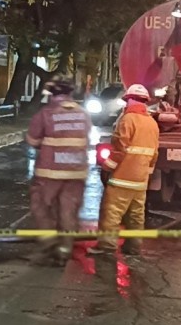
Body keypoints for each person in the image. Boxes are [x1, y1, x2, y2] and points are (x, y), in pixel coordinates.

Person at [25, 75, 92, 266]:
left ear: (51, 94)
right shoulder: (83, 114)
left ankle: (49, 243)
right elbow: (86, 139)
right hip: (77, 172)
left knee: (41, 205)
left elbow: (32, 140)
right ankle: (65, 249)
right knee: (69, 210)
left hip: (49, 172)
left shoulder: (46, 114)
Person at [90, 83, 159, 256]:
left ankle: (107, 245)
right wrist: (147, 173)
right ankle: (134, 246)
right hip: (140, 180)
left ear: (129, 100)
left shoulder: (128, 120)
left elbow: (120, 149)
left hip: (122, 178)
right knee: (136, 214)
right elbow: (154, 153)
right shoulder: (152, 122)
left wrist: (107, 167)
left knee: (112, 212)